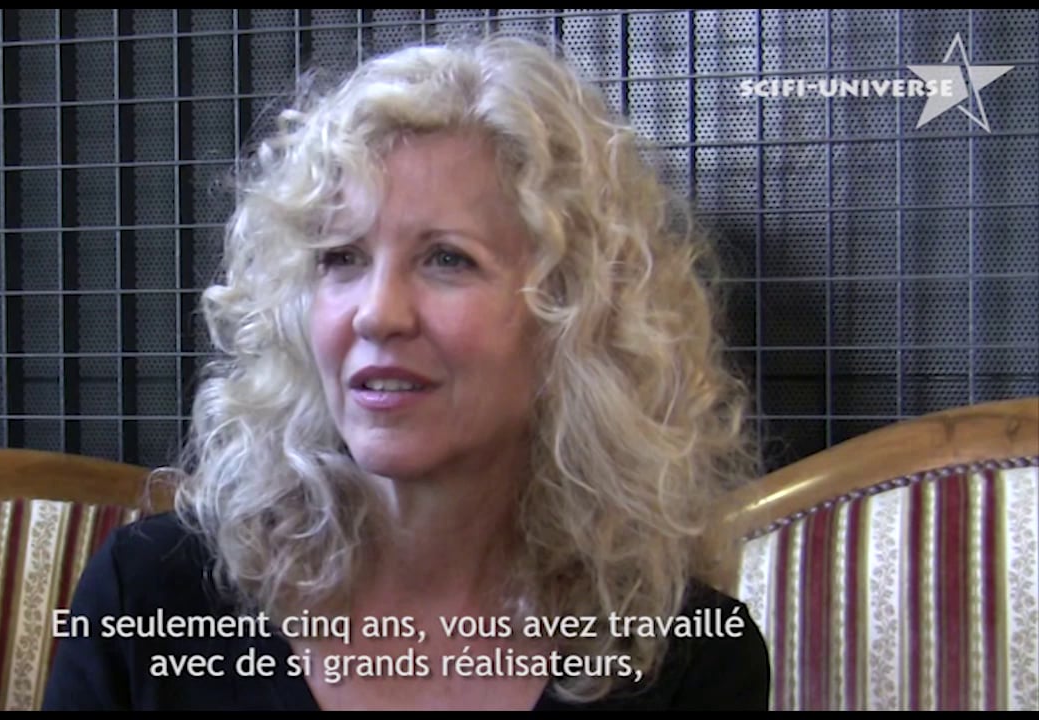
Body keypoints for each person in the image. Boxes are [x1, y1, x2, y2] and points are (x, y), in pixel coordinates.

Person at [43, 32, 769, 711]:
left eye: (447, 259)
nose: (377, 314)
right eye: (342, 258)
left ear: (577, 314)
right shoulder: (150, 600)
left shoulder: (685, 658)